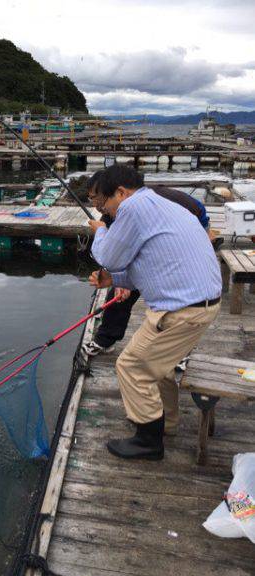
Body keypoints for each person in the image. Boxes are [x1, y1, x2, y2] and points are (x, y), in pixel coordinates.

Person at [88, 165, 222, 460]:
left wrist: (99, 234)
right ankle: (165, 424)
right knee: (157, 366)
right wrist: (116, 280)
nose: (104, 212)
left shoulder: (133, 207)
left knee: (132, 366)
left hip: (181, 311)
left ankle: (149, 441)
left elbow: (108, 255)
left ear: (121, 192)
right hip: (200, 303)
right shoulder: (161, 204)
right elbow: (157, 261)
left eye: (103, 204)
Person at [83, 174, 217, 360]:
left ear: (117, 191)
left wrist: (203, 236)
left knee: (132, 368)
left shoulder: (162, 200)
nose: (98, 206)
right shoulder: (112, 214)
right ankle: (106, 339)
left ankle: (180, 352)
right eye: (92, 200)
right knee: (118, 295)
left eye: (99, 199)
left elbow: (198, 210)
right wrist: (118, 279)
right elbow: (117, 254)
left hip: (186, 245)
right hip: (151, 254)